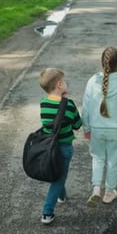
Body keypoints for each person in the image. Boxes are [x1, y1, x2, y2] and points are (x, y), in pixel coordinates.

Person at [82, 47, 117, 207]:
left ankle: (96, 189)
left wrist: (86, 128)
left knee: (97, 158)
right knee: (113, 161)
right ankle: (109, 192)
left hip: (96, 129)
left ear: (103, 62)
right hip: (115, 131)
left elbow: (85, 108)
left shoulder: (92, 81)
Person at [38, 68, 82, 224]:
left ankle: (61, 196)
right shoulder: (69, 105)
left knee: (59, 174)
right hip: (64, 147)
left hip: (49, 147)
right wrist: (66, 103)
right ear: (59, 85)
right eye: (64, 81)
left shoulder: (43, 103)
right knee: (59, 178)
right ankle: (47, 212)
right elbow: (77, 124)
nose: (65, 83)